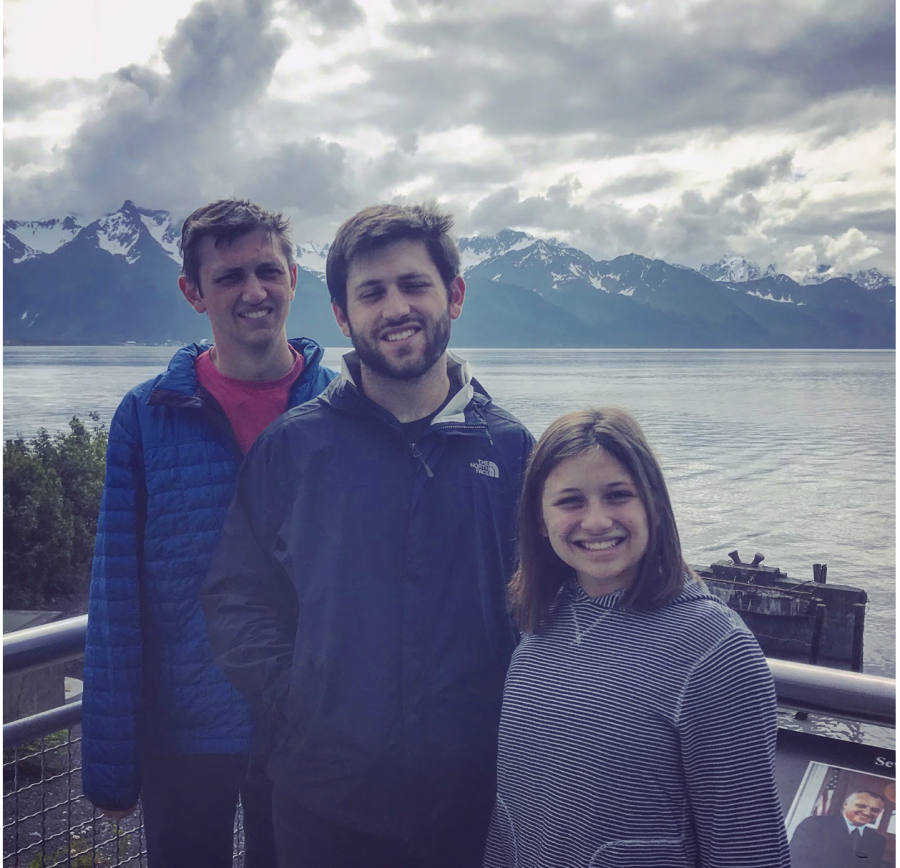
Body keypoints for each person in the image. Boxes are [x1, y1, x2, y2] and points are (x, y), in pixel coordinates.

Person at [200, 202, 534, 868]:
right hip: (324, 808)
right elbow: (237, 601)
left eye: (414, 285)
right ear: (343, 316)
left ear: (455, 296)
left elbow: (551, 610)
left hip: (477, 805)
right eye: (372, 292)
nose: (395, 307)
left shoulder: (512, 450)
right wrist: (303, 704)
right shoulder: (293, 450)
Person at [81, 198, 337, 867]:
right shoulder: (147, 416)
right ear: (192, 292)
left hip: (307, 725)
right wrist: (111, 764)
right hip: (185, 733)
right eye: (229, 277)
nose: (254, 292)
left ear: (293, 276)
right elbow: (116, 593)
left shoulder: (344, 411)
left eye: (267, 271)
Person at [483, 407, 791, 868]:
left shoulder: (714, 652)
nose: (596, 520)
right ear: (540, 520)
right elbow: (512, 818)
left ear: (656, 506)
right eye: (570, 501)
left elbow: (748, 850)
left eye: (618, 495)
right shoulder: (541, 625)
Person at [790, 790, 887, 868]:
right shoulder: (815, 825)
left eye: (875, 810)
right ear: (846, 805)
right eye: (861, 806)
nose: (867, 812)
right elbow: (798, 861)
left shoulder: (877, 840)